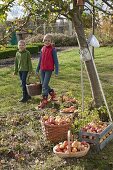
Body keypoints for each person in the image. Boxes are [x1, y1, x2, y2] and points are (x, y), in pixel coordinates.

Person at [36, 34, 59, 109]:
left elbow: (56, 61)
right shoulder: (42, 49)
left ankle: (44, 100)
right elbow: (40, 60)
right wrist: (37, 68)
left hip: (49, 69)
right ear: (43, 41)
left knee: (44, 85)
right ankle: (52, 93)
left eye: (48, 40)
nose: (47, 42)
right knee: (43, 83)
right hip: (42, 69)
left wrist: (56, 71)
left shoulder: (53, 50)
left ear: (51, 41)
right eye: (45, 40)